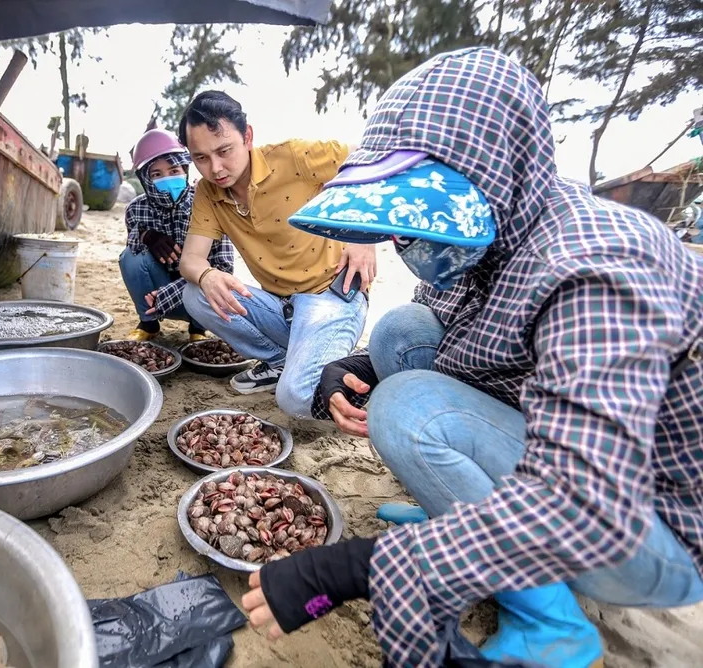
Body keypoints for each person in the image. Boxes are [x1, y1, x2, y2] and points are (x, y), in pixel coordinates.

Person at [241, 47, 703, 668]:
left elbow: (590, 505)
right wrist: (354, 369)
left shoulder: (595, 265)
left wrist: (360, 568)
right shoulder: (485, 235)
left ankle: (548, 619)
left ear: (493, 167)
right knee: (400, 331)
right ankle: (453, 501)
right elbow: (456, 338)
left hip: (645, 525)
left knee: (407, 409)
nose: (407, 241)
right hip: (553, 439)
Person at [176, 91, 376, 417]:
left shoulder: (294, 157)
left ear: (248, 136)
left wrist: (364, 233)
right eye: (200, 158)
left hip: (331, 296)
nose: (215, 168)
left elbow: (370, 158)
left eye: (224, 150)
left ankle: (370, 361)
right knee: (196, 292)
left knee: (295, 398)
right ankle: (280, 358)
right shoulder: (207, 193)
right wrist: (208, 274)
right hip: (281, 307)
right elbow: (190, 261)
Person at [120, 128, 234, 342]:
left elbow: (224, 268)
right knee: (130, 257)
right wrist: (146, 236)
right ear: (145, 179)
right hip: (152, 297)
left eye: (174, 171)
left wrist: (167, 295)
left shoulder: (209, 204)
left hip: (197, 295)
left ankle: (198, 329)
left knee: (211, 276)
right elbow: (133, 252)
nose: (167, 179)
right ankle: (148, 325)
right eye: (156, 174)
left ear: (185, 169)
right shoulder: (136, 209)